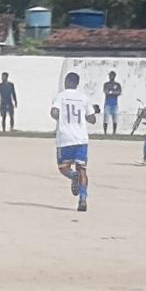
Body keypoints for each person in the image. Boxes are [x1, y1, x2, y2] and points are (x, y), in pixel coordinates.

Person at [50, 72, 98, 213]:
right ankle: (83, 199)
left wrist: (62, 117)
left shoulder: (61, 96)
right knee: (82, 169)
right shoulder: (84, 98)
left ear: (66, 82)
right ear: (77, 83)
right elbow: (92, 119)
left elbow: (54, 113)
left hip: (65, 138)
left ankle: (72, 176)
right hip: (81, 139)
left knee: (63, 167)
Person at [102, 71, 121, 135]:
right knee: (106, 119)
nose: (111, 77)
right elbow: (106, 92)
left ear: (114, 76)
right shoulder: (106, 84)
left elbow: (119, 92)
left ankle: (114, 132)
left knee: (115, 119)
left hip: (115, 104)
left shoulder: (117, 84)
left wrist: (111, 92)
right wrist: (113, 92)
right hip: (107, 104)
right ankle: (105, 132)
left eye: (112, 75)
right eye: (110, 75)